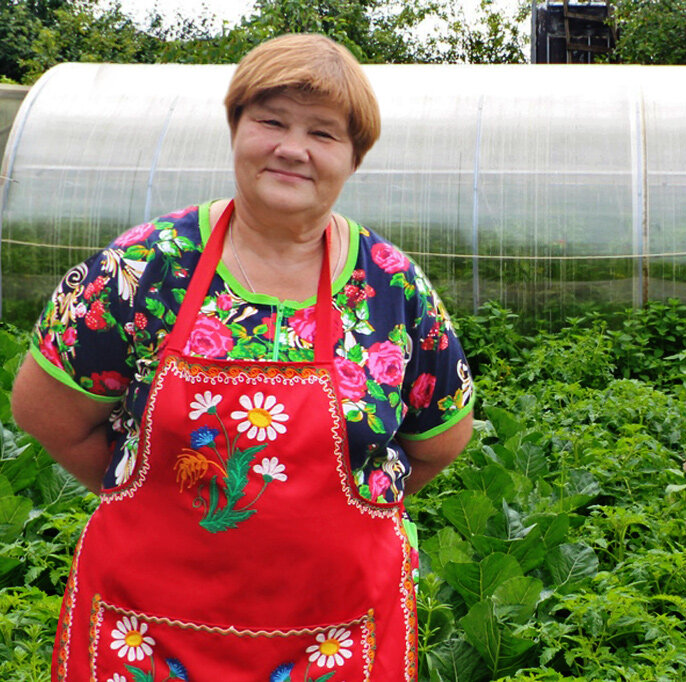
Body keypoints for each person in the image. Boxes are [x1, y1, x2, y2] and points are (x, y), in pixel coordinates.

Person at [11, 33, 474, 682]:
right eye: (271, 120)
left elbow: (439, 440)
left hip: (332, 640)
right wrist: (153, 504)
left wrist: (346, 522)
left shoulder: (392, 287)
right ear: (235, 127)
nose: (292, 148)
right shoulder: (146, 266)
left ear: (353, 157)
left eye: (323, 132)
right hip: (148, 631)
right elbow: (45, 412)